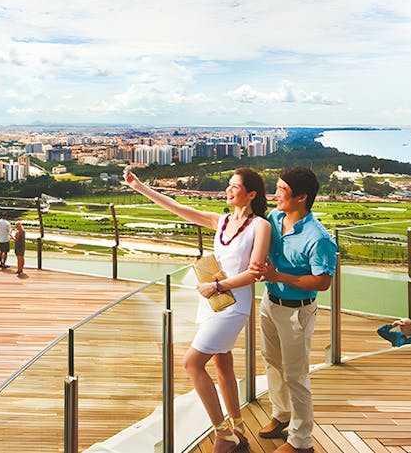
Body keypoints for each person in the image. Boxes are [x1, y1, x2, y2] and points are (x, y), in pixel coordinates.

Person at [125, 166, 270, 452]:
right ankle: (238, 427)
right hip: (213, 302)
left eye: (235, 186)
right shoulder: (222, 221)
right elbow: (178, 208)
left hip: (233, 304)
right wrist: (140, 188)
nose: (228, 190)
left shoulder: (260, 226)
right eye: (229, 184)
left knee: (192, 363)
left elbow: (254, 273)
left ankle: (223, 433)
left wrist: (217, 286)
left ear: (251, 194)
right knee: (221, 363)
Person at [248, 166, 337, 453]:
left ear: (301, 197)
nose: (275, 195)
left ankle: (301, 441)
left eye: (282, 190)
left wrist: (278, 276)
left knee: (296, 376)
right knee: (272, 362)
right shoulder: (275, 218)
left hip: (297, 312)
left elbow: (323, 282)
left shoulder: (318, 238)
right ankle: (282, 414)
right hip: (270, 302)